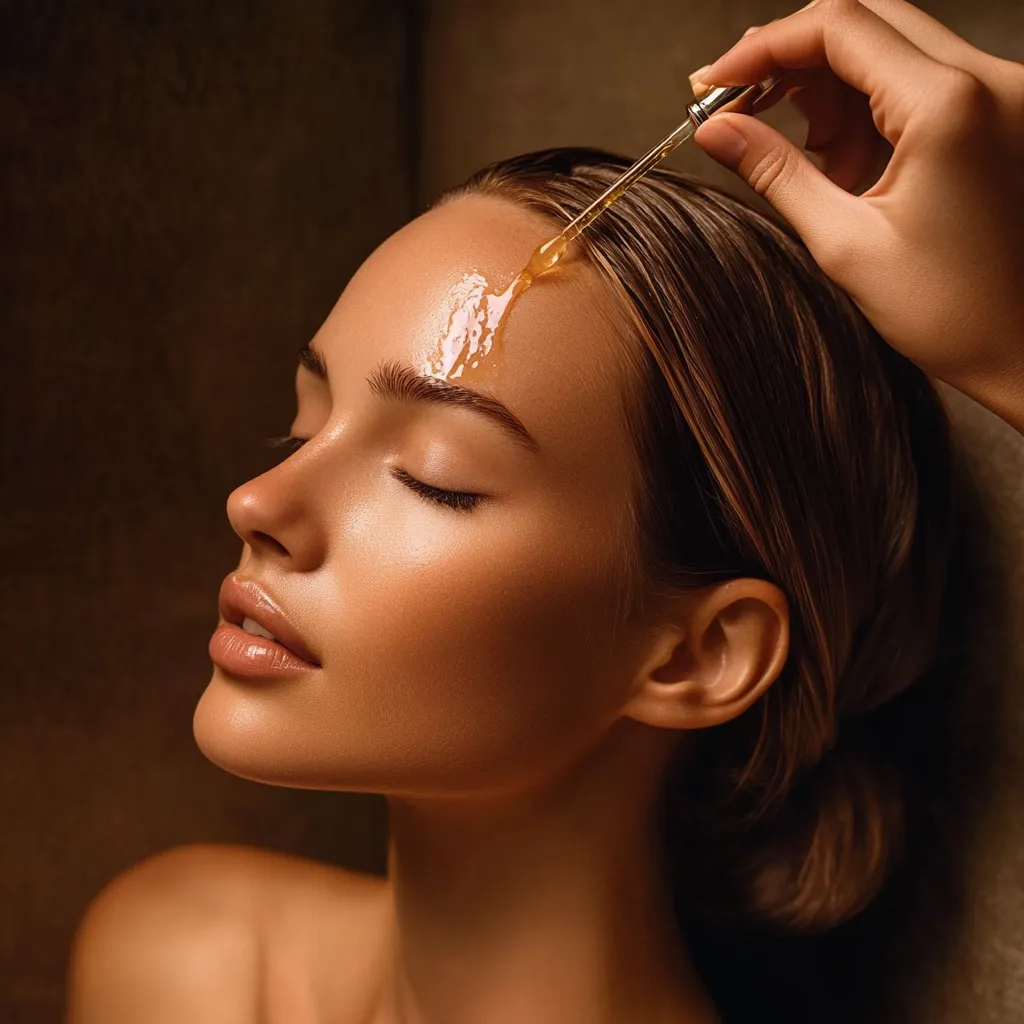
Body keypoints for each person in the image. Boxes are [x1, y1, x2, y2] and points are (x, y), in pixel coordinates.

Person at [66, 2, 1023, 1022]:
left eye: (434, 476)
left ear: (697, 653)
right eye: (303, 427)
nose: (256, 504)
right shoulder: (183, 966)